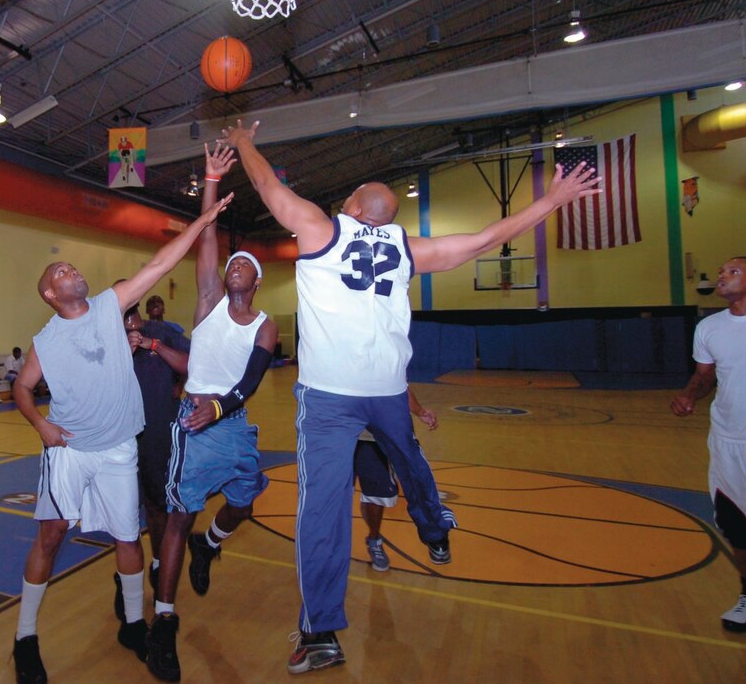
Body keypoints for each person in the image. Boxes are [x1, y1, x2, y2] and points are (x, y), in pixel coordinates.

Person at [221, 118, 601, 673]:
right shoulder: (407, 248)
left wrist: (244, 143)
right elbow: (487, 239)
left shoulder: (320, 228)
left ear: (351, 205)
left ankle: (321, 631)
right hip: (388, 391)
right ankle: (434, 529)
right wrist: (554, 199)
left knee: (322, 512)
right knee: (413, 468)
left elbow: (267, 187)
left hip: (328, 395)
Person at [9, 192, 233, 684]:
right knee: (51, 536)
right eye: (60, 273)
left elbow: (160, 262)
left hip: (117, 449)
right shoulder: (45, 340)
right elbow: (22, 388)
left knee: (128, 537)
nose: (71, 271)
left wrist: (201, 222)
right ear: (50, 294)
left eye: (71, 267)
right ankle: (25, 636)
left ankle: (133, 625)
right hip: (69, 451)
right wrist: (40, 424)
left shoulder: (111, 306)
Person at [146, 143, 278, 683]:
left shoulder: (266, 323)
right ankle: (164, 621)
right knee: (180, 516)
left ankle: (211, 545)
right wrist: (210, 181)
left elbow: (249, 383)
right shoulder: (208, 302)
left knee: (244, 504)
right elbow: (206, 236)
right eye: (233, 263)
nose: (237, 266)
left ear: (258, 280)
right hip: (194, 428)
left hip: (232, 421)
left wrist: (221, 406)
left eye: (247, 263)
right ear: (224, 277)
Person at [671, 256, 746, 633]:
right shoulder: (709, 327)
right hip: (728, 440)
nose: (722, 276)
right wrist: (689, 395)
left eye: (733, 271)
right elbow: (704, 376)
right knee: (736, 526)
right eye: (722, 271)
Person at [124, 304, 190, 593]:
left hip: (158, 431)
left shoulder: (163, 332)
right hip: (120, 437)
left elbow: (193, 362)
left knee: (158, 504)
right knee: (123, 513)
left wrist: (156, 348)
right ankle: (126, 578)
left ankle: (159, 562)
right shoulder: (108, 338)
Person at [357, 389, 438, 572]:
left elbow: (399, 383)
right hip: (339, 431)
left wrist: (419, 411)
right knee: (332, 496)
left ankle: (374, 539)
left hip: (373, 434)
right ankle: (326, 544)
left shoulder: (386, 360)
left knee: (378, 494)